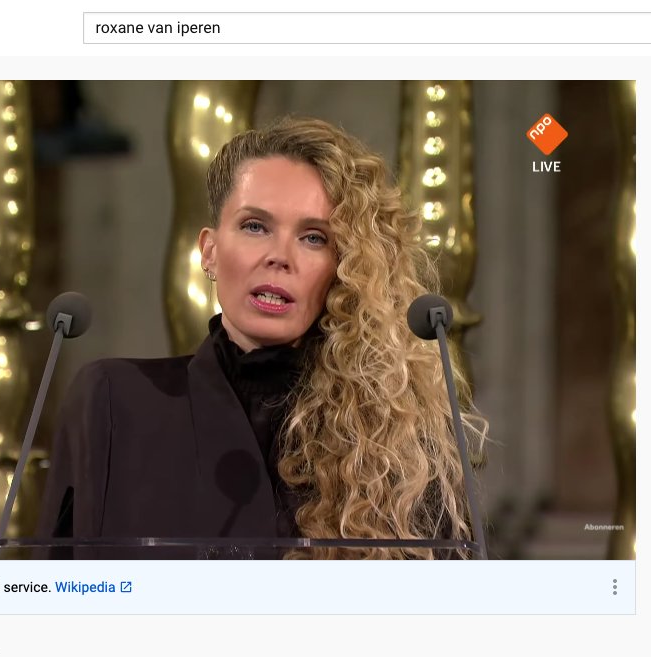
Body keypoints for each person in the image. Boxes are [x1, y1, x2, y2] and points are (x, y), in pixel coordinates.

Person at [36, 116, 487, 559]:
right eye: (255, 226)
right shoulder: (114, 402)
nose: (279, 256)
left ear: (344, 268)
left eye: (313, 238)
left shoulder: (399, 446)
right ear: (209, 251)